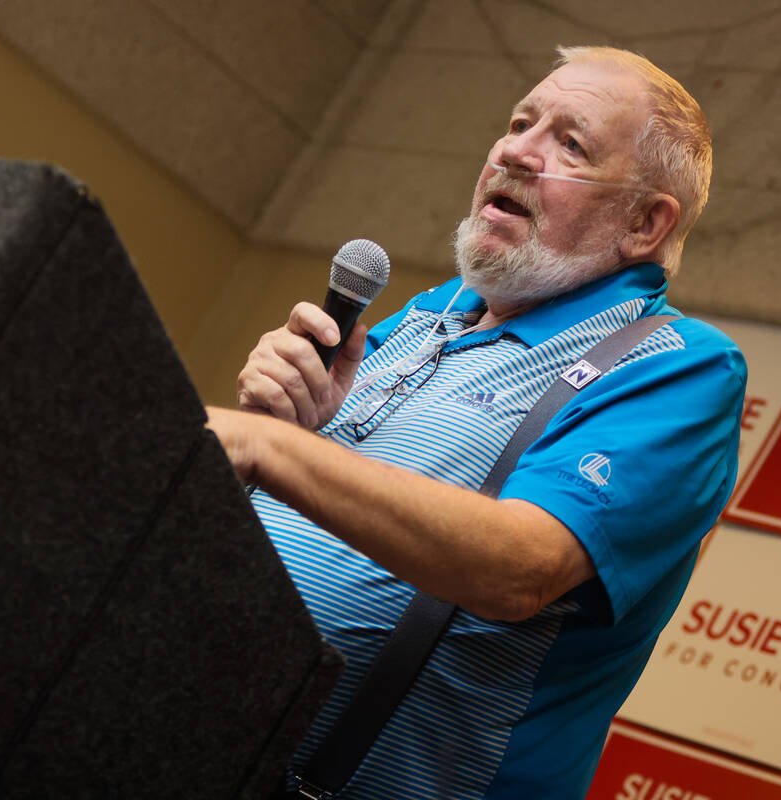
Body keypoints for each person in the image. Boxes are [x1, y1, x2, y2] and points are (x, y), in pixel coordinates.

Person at [206, 46, 746, 799]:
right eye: (520, 122)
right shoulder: (425, 315)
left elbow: (518, 568)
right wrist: (288, 427)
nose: (516, 151)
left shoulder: (674, 365)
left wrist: (267, 449)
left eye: (571, 144)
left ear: (645, 224)